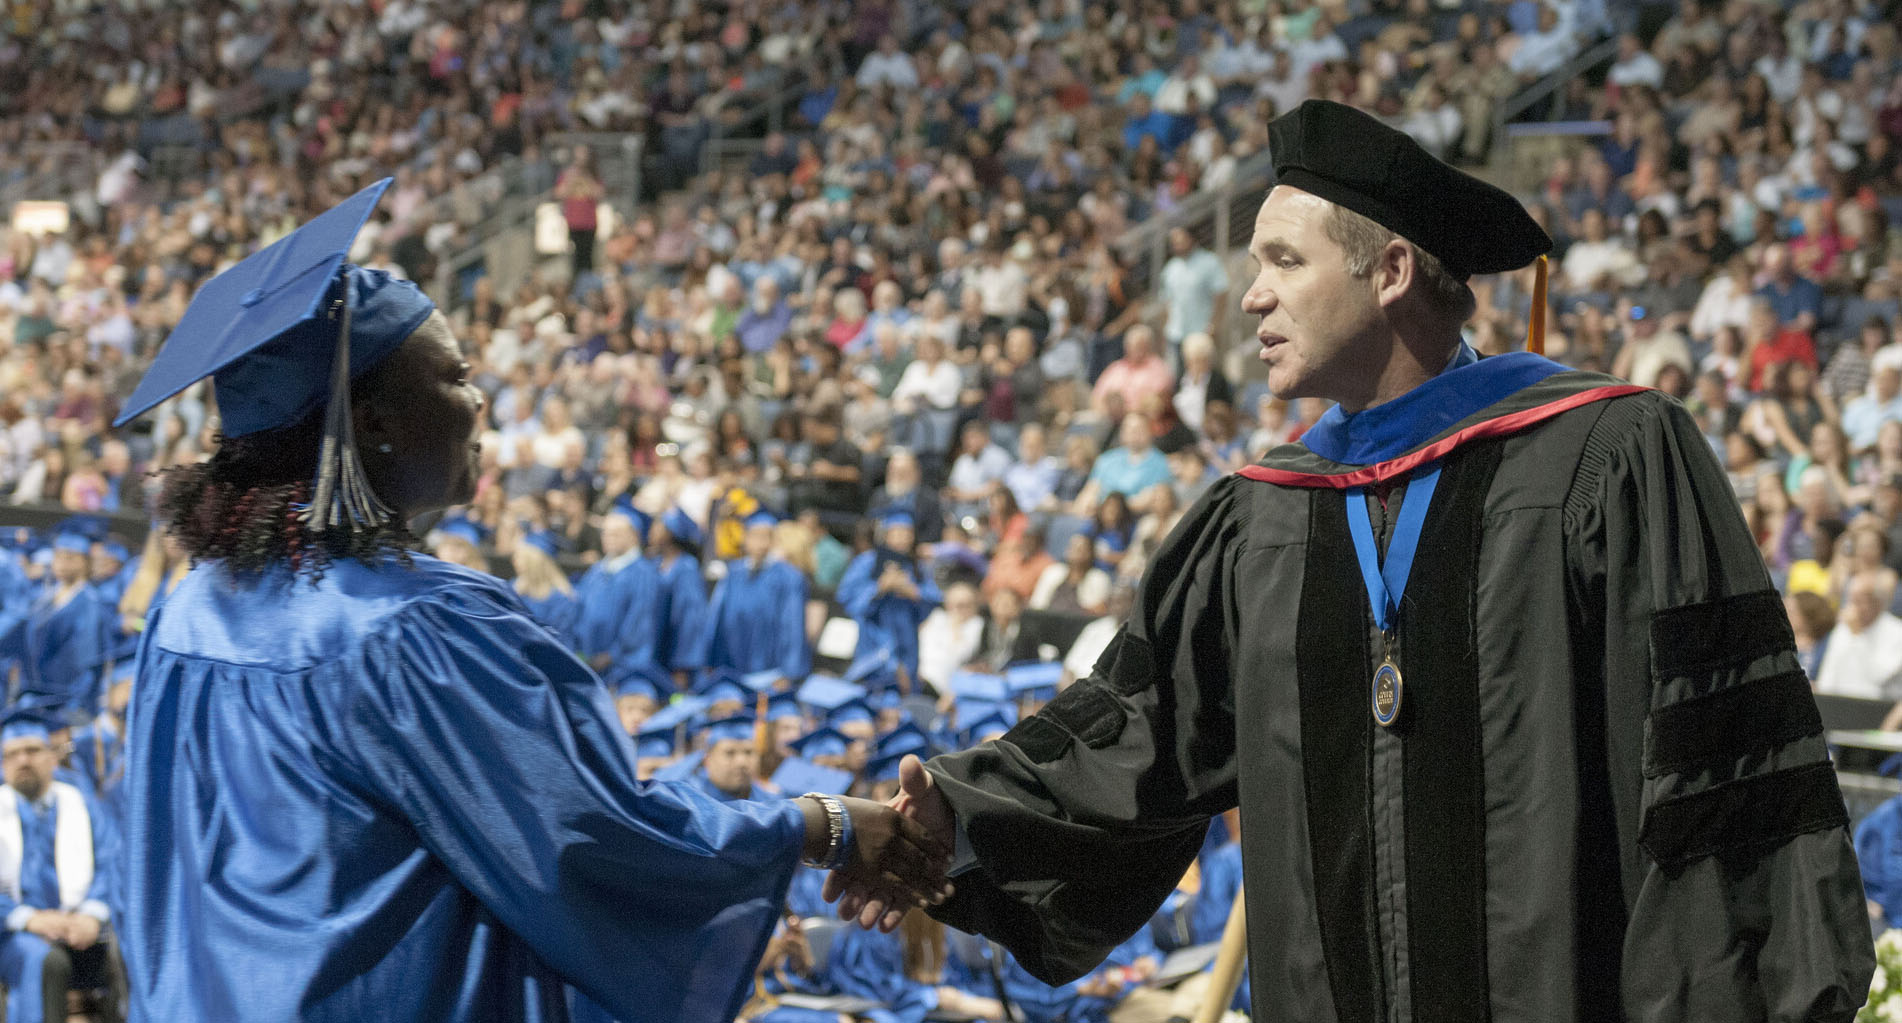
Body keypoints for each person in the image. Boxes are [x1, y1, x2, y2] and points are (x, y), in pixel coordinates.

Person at [834, 102, 1873, 1017]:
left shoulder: (1607, 462)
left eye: (1284, 262)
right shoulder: (1261, 521)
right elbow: (1137, 746)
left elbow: (1720, 784)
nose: (1250, 300)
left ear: (1389, 272)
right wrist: (955, 819)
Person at [110, 182, 947, 1021]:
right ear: (373, 423)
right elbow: (591, 841)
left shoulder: (184, 614)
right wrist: (821, 823)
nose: (479, 402)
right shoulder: (416, 631)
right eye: (456, 376)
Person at [0, 710, 123, 1023]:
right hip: (12, 935)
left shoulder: (81, 804)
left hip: (79, 926)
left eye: (32, 750)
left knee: (125, 951)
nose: (23, 760)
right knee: (45, 961)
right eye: (12, 754)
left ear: (53, 757)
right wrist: (29, 919)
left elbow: (112, 863)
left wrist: (93, 915)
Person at [693, 508, 812, 686]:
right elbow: (717, 620)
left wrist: (789, 673)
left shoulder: (788, 578)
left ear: (774, 541)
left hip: (771, 671)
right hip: (733, 665)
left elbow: (793, 628)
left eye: (766, 537)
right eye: (755, 536)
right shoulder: (733, 574)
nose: (761, 544)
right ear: (745, 538)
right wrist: (711, 660)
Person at [836, 511, 942, 692]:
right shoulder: (867, 562)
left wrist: (912, 591)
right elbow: (846, 597)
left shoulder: (917, 566)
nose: (903, 538)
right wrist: (879, 588)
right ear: (885, 535)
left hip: (906, 642)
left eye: (908, 533)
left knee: (904, 691)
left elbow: (934, 599)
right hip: (873, 638)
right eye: (897, 532)